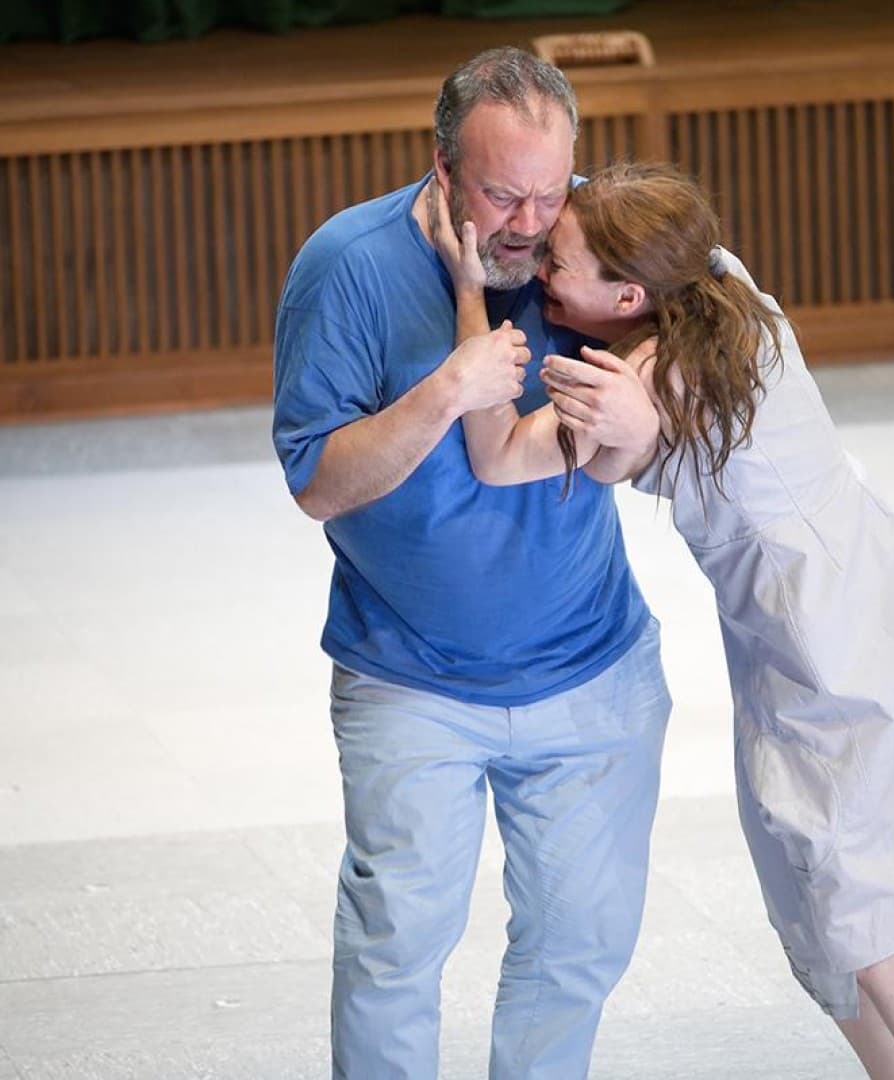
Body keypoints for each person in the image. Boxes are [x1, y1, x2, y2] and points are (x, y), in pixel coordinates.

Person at [433, 161, 894, 1080]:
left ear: (629, 293)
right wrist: (542, 180)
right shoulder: (717, 278)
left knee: (856, 908)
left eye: (557, 259)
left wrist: (467, 293)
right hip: (851, 595)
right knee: (814, 904)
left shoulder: (643, 382)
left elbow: (495, 458)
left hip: (828, 644)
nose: (536, 268)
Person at [271, 49, 671, 1080]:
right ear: (441, 170)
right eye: (503, 194)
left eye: (553, 190)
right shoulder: (348, 268)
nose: (532, 223)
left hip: (592, 668)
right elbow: (317, 483)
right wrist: (443, 392)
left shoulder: (591, 240)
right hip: (410, 679)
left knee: (579, 943)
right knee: (394, 949)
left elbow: (715, 303)